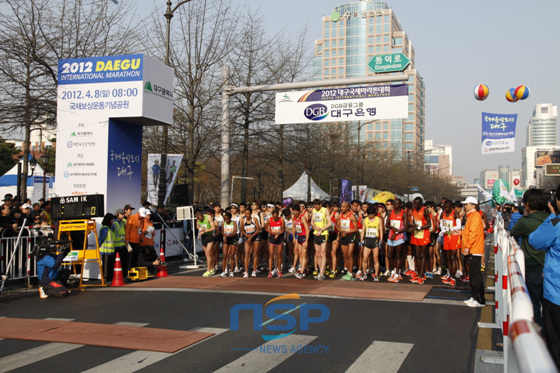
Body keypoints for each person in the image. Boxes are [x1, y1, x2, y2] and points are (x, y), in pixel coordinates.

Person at [528, 186, 560, 368]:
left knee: (555, 347)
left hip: (556, 296)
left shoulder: (556, 223)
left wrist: (553, 214)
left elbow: (535, 240)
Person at [510, 189, 548, 326]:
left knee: (533, 306)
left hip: (531, 267)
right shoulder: (552, 220)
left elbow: (512, 233)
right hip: (550, 269)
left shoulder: (526, 222)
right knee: (550, 307)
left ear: (527, 205)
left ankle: (537, 336)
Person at [457, 197, 486, 307]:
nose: (465, 206)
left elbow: (472, 234)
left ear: (473, 205)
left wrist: (467, 248)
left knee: (475, 276)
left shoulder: (474, 216)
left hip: (474, 250)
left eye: (467, 204)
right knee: (474, 276)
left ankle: (479, 299)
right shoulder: (472, 216)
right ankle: (475, 297)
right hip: (473, 249)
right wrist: (459, 233)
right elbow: (468, 232)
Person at [409, 197, 431, 284]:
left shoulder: (425, 210)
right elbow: (411, 222)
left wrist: (420, 227)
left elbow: (429, 224)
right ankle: (418, 274)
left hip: (423, 234)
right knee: (417, 255)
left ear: (421, 203)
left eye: (417, 204)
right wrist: (412, 226)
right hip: (416, 234)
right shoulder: (413, 211)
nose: (415, 205)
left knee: (423, 255)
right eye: (414, 203)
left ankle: (422, 274)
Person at [440, 200, 462, 287]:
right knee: (448, 257)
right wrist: (443, 229)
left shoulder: (455, 213)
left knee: (453, 257)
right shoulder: (443, 213)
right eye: (445, 207)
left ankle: (453, 278)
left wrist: (449, 229)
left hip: (453, 237)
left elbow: (458, 226)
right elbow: (441, 224)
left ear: (451, 207)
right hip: (446, 237)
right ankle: (449, 274)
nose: (446, 209)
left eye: (448, 207)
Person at [360, 204, 384, 281]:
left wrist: (380, 240)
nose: (371, 216)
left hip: (375, 240)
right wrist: (361, 240)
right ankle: (364, 273)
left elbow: (381, 230)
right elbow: (363, 230)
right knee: (365, 258)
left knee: (375, 258)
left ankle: (376, 274)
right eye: (369, 214)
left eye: (372, 214)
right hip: (367, 240)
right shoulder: (365, 220)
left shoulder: (378, 219)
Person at [387, 199, 408, 283]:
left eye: (397, 204)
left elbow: (405, 227)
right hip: (390, 237)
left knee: (398, 255)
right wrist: (392, 227)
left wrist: (396, 232)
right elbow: (387, 224)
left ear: (400, 204)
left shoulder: (404, 213)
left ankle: (397, 274)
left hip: (399, 237)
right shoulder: (390, 212)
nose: (395, 205)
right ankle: (392, 271)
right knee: (390, 255)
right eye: (394, 204)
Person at [310, 199, 332, 281]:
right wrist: (315, 227)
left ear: (320, 205)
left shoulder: (325, 210)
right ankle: (320, 271)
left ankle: (322, 272)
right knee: (318, 254)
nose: (315, 207)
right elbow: (312, 222)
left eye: (317, 206)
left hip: (323, 233)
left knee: (323, 253)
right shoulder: (313, 211)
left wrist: (322, 229)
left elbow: (330, 223)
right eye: (314, 206)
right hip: (316, 233)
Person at [338, 201, 358, 281]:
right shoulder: (340, 216)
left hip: (350, 236)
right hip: (343, 236)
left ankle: (350, 272)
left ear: (347, 208)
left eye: (343, 207)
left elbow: (356, 228)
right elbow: (338, 226)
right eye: (341, 207)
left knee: (350, 254)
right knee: (345, 255)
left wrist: (347, 232)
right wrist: (341, 232)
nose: (342, 208)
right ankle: (348, 272)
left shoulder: (352, 216)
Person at [265, 208, 285, 278]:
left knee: (279, 254)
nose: (275, 218)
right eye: (274, 217)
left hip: (279, 238)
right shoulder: (269, 220)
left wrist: (278, 234)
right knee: (271, 254)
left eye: (276, 217)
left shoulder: (281, 219)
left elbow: (283, 230)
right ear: (272, 215)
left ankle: (279, 270)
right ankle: (270, 271)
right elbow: (266, 228)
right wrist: (272, 232)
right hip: (272, 238)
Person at [240, 208, 260, 278]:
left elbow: (258, 229)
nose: (247, 215)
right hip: (247, 236)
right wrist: (246, 235)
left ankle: (254, 270)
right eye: (246, 214)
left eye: (248, 213)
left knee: (255, 253)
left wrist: (252, 236)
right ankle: (246, 271)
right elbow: (242, 229)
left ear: (250, 214)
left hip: (254, 236)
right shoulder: (243, 220)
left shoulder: (254, 219)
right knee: (247, 253)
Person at [196, 209, 216, 277]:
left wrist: (206, 231)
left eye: (201, 219)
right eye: (199, 219)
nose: (200, 220)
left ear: (202, 215)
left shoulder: (208, 217)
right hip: (203, 237)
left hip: (210, 235)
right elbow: (197, 226)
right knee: (208, 254)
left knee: (208, 253)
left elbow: (213, 228)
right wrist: (200, 229)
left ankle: (208, 270)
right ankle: (212, 267)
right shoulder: (198, 219)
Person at [99, 213, 117, 283]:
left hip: (110, 251)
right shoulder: (105, 228)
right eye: (112, 219)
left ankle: (109, 278)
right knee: (106, 266)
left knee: (110, 266)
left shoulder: (109, 228)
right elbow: (101, 239)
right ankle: (106, 279)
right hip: (106, 251)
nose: (113, 221)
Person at [293, 204, 310, 279]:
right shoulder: (294, 217)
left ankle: (302, 272)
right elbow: (294, 227)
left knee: (304, 255)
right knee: (300, 254)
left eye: (295, 213)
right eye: (293, 213)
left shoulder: (302, 217)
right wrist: (294, 237)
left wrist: (306, 241)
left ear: (299, 212)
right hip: (299, 236)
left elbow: (307, 230)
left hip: (303, 237)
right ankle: (301, 269)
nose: (294, 214)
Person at [221, 212, 238, 277]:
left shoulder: (234, 223)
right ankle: (223, 271)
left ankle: (231, 271)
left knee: (232, 255)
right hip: (226, 239)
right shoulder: (223, 223)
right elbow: (222, 231)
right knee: (225, 255)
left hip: (232, 238)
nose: (226, 220)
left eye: (227, 219)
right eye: (225, 219)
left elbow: (235, 232)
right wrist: (224, 235)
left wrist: (228, 235)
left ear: (230, 218)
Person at [113, 209, 129, 277]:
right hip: (116, 246)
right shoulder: (114, 223)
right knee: (116, 263)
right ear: (117, 214)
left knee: (124, 262)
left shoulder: (122, 222)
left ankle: (123, 275)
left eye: (123, 214)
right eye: (121, 214)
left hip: (122, 246)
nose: (123, 215)